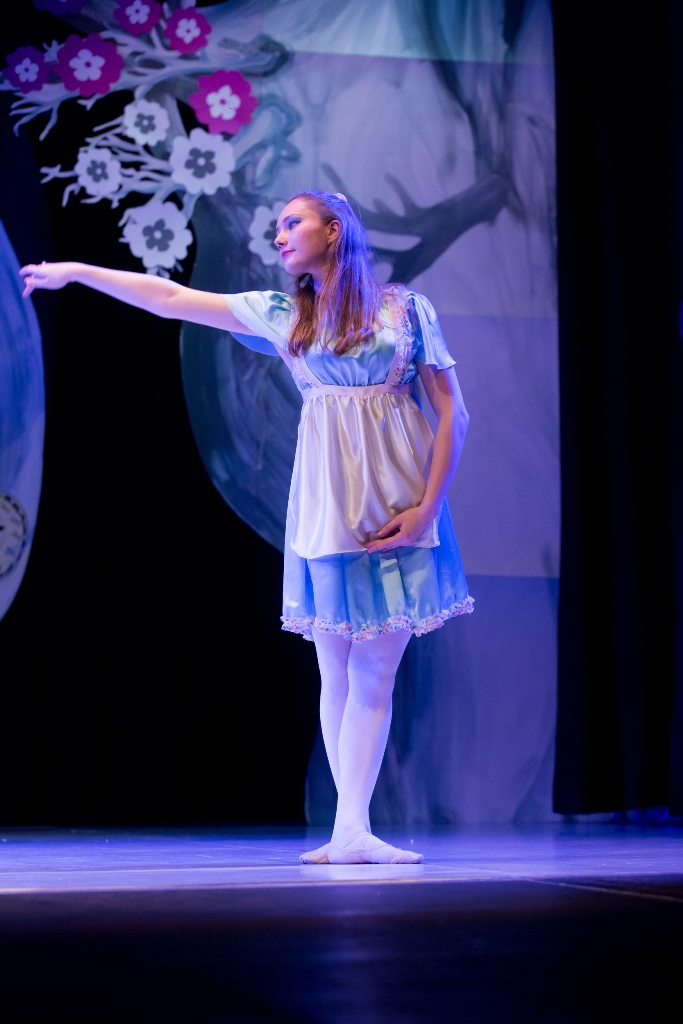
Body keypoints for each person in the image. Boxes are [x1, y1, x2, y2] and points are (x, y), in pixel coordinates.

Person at [20, 189, 473, 864]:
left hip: (400, 503)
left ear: (333, 230)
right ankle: (348, 830)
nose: (280, 235)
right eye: (278, 226)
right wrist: (79, 271)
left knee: (375, 670)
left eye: (293, 223)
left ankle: (352, 828)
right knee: (336, 671)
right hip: (328, 504)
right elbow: (170, 298)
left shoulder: (405, 311)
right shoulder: (283, 314)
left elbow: (453, 413)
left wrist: (427, 509)